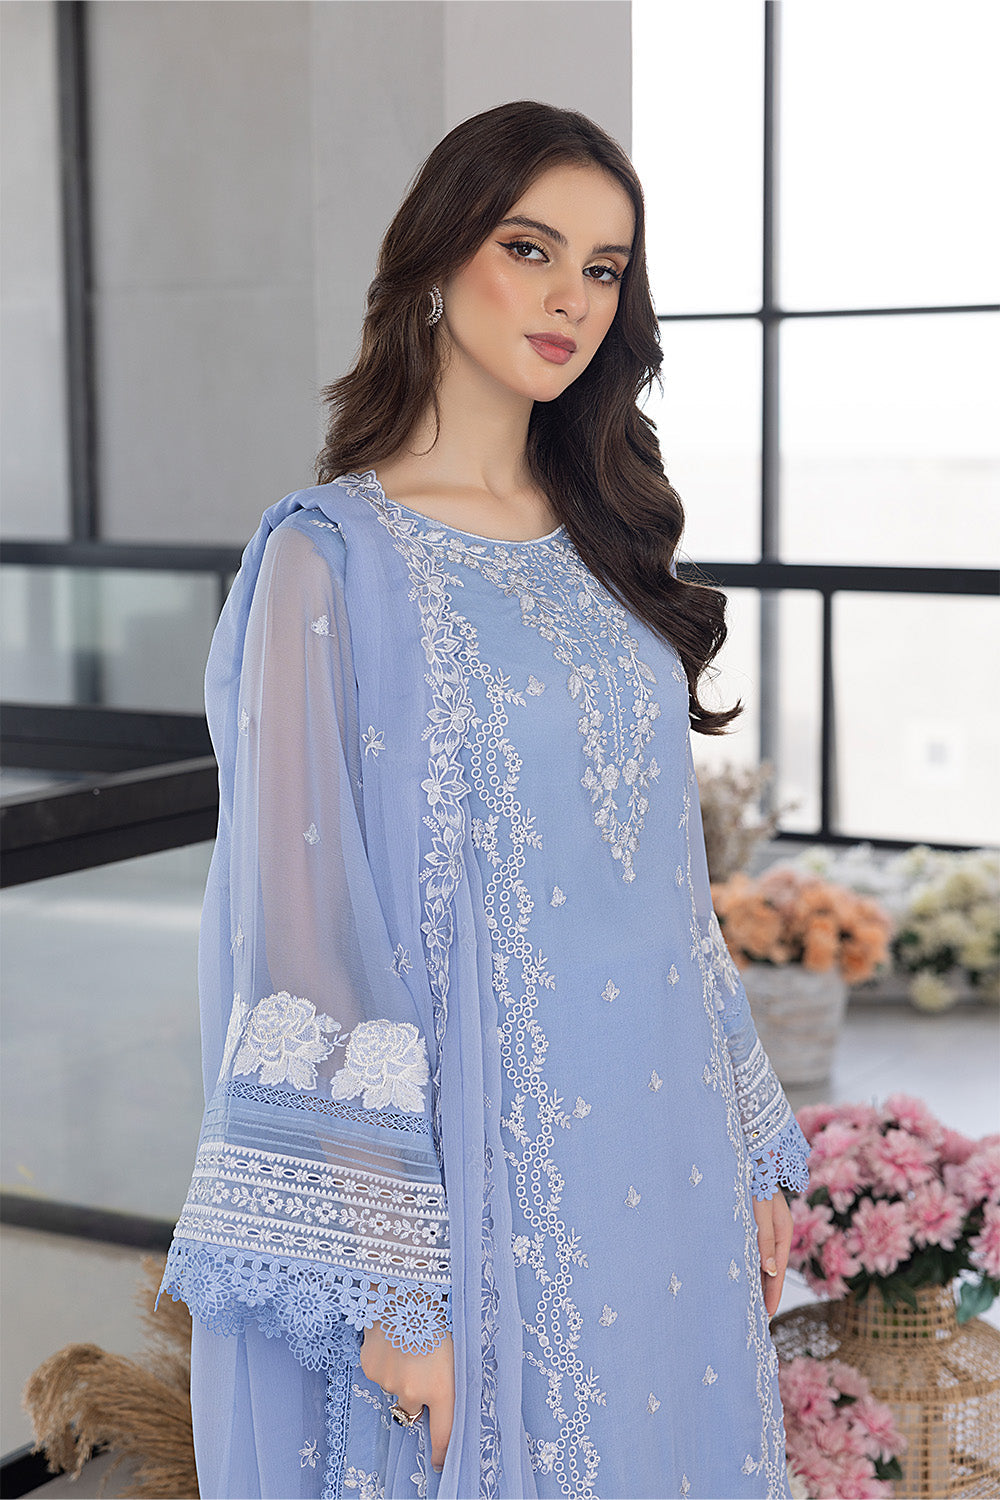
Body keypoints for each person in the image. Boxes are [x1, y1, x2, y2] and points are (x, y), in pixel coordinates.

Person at [159, 100, 809, 1500]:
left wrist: (750, 1133)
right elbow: (304, 944)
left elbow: (661, 890)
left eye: (605, 268)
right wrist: (395, 1287)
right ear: (438, 260)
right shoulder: (328, 560)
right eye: (532, 248)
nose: (573, 296)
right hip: (480, 1183)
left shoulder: (607, 541)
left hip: (666, 1153)